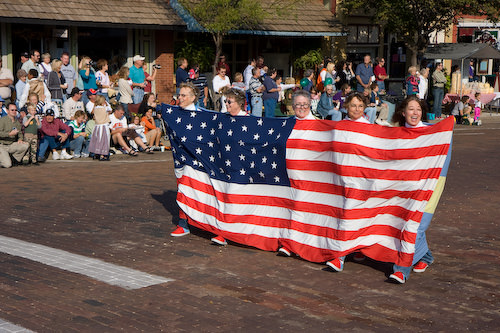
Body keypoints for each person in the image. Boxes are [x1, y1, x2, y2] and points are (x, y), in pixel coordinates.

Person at [389, 95, 447, 284]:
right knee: (403, 224)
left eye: (418, 109)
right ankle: (425, 256)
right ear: (403, 112)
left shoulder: (432, 133)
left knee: (414, 226)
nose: (415, 113)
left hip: (427, 186)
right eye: (411, 109)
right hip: (402, 187)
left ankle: (401, 269)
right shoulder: (395, 134)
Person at [170, 82, 200, 237]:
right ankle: (184, 224)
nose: (179, 98)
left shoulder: (201, 115)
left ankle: (198, 224)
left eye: (183, 95)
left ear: (193, 97)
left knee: (197, 193)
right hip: (180, 159)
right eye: (179, 95)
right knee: (182, 191)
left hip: (197, 161)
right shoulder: (174, 112)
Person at [0, 103, 29, 168]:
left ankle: (12, 159)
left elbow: (20, 133)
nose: (14, 112)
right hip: (2, 145)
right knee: (7, 165)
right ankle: (4, 159)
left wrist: (20, 139)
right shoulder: (2, 120)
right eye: (12, 110)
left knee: (25, 145)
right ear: (7, 111)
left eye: (15, 110)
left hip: (11, 145)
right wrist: (9, 134)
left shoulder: (17, 122)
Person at [88, 95, 111, 161]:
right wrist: (106, 104)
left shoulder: (95, 108)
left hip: (97, 127)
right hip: (103, 126)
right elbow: (110, 109)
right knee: (103, 140)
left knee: (97, 140)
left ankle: (96, 154)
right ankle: (102, 155)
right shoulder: (104, 108)